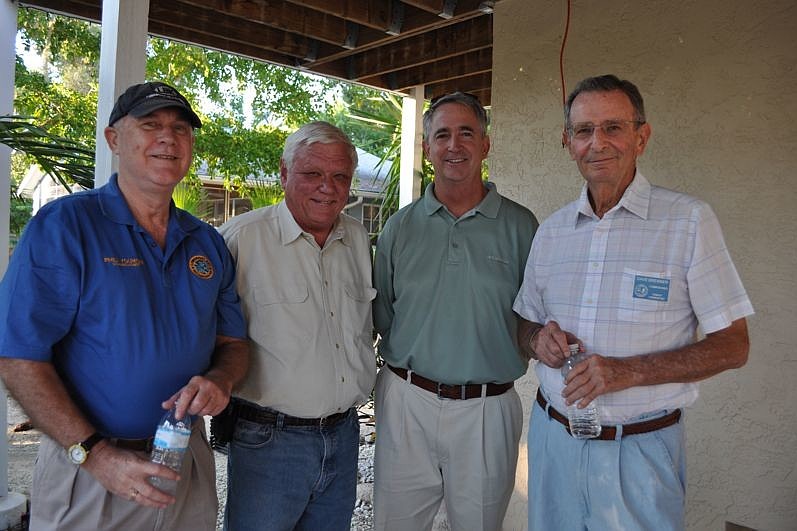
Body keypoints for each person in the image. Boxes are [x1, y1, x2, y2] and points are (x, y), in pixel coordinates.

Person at [0, 81, 250, 530]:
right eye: (150, 124)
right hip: (92, 470)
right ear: (113, 139)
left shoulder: (207, 243)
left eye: (180, 128)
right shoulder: (66, 227)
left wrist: (219, 380)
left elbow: (233, 342)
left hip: (184, 464)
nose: (167, 138)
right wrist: (93, 453)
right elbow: (17, 357)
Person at [513, 74, 754, 530]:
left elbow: (733, 345)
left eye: (613, 127)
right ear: (568, 143)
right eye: (584, 131)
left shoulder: (687, 220)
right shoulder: (552, 231)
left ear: (641, 137)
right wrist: (536, 340)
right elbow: (523, 322)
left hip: (639, 450)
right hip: (553, 443)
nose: (597, 143)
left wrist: (629, 372)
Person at [372, 92, 538, 531]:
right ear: (427, 148)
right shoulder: (399, 228)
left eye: (467, 132)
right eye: (442, 134)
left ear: (486, 144)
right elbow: (385, 314)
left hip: (487, 408)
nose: (454, 145)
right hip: (406, 399)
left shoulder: (523, 227)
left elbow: (532, 318)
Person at [218, 121, 375, 530]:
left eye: (340, 176)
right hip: (268, 442)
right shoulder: (240, 239)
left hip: (343, 437)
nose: (328, 187)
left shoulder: (357, 239)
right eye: (312, 174)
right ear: (284, 173)